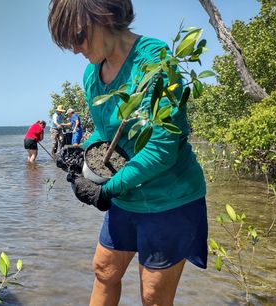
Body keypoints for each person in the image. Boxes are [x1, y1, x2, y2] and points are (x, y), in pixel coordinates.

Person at [48, 1, 208, 305]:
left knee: (152, 295)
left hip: (169, 199)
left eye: (78, 37)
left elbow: (162, 149)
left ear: (104, 16)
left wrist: (105, 191)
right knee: (104, 270)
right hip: (127, 196)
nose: (74, 48)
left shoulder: (156, 61)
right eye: (68, 42)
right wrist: (81, 151)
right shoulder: (91, 76)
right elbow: (106, 131)